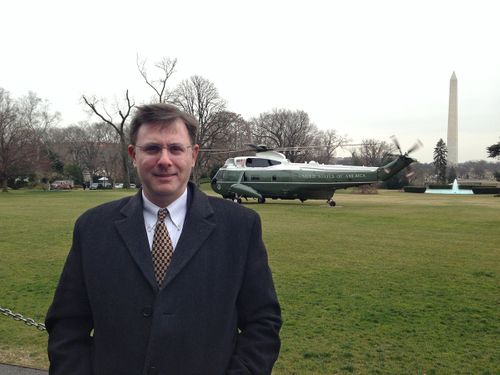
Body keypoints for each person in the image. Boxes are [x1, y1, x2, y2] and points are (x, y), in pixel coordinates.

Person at [45, 103, 282, 375]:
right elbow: (67, 325)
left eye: (176, 148)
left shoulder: (240, 227)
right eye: (153, 148)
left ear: (193, 155)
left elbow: (263, 323)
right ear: (134, 154)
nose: (165, 160)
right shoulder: (93, 227)